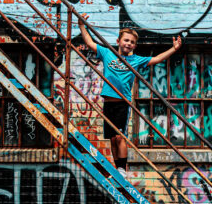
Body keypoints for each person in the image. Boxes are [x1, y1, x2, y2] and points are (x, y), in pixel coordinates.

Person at [77, 22, 182, 171]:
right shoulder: (108, 53)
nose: (129, 44)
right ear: (118, 41)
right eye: (126, 40)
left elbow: (157, 59)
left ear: (134, 46)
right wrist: (82, 26)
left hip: (122, 104)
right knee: (112, 139)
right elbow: (89, 43)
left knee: (120, 137)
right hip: (108, 103)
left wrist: (174, 48)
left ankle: (122, 169)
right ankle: (117, 168)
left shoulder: (136, 60)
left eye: (132, 42)